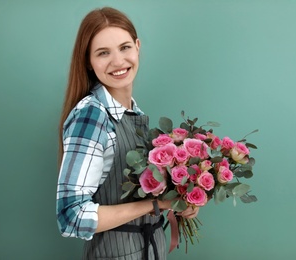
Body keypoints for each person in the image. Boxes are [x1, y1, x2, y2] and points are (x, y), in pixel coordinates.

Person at [56, 7, 199, 259]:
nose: (118, 61)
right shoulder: (92, 116)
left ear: (137, 46)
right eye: (103, 53)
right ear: (89, 62)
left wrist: (178, 201)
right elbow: (71, 217)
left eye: (124, 47)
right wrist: (156, 204)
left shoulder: (134, 113)